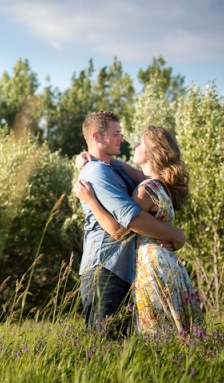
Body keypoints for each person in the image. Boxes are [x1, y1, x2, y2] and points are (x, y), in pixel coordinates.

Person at [75, 125, 204, 334]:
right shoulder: (162, 186)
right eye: (116, 133)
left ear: (153, 153)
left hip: (151, 265)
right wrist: (90, 157)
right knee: (174, 326)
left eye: (140, 143)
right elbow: (118, 165)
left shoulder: (146, 189)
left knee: (155, 330)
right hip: (168, 263)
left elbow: (120, 228)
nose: (133, 145)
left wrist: (91, 201)